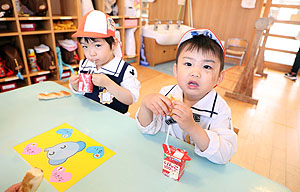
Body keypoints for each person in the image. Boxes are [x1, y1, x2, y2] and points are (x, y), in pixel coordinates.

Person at [136, 29, 237, 164]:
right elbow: (147, 128)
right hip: (162, 161)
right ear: (176, 70)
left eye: (206, 66)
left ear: (219, 77)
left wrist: (191, 126)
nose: (195, 73)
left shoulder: (220, 109)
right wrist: (145, 105)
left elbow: (224, 154)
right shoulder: (167, 93)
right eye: (188, 64)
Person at [69, 10, 140, 114]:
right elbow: (82, 93)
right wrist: (75, 86)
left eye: (97, 45)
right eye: (85, 46)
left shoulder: (125, 70)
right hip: (89, 115)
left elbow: (130, 99)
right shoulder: (85, 64)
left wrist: (108, 83)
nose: (91, 53)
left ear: (114, 44)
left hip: (115, 118)